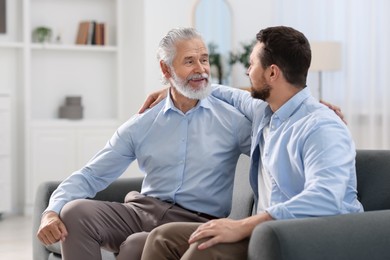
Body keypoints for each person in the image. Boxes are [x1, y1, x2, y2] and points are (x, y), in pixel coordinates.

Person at [139, 26, 364, 260]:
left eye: (252, 64)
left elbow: (326, 197)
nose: (247, 72)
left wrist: (245, 225)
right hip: (265, 232)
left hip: (310, 237)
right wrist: (178, 88)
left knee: (203, 247)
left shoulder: (322, 127)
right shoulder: (264, 111)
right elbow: (229, 94)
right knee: (162, 238)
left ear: (272, 73)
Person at [36, 27, 252, 260]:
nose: (201, 69)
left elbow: (271, 144)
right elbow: (92, 175)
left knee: (137, 244)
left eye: (204, 60)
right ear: (165, 68)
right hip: (142, 211)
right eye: (189, 61)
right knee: (74, 212)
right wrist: (51, 211)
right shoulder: (143, 122)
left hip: (196, 222)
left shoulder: (232, 120)